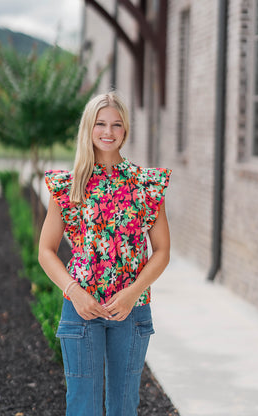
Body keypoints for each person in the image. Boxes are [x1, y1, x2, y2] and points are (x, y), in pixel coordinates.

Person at [38, 91, 172, 416]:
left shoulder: (145, 185)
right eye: (100, 123)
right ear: (89, 127)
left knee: (123, 408)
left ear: (125, 130)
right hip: (82, 310)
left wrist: (131, 294)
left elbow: (163, 251)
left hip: (132, 310)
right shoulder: (69, 186)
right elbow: (46, 251)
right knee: (82, 408)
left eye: (116, 124)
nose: (108, 132)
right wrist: (74, 293)